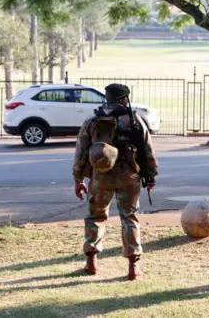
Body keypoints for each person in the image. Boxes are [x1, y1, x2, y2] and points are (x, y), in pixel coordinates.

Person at [72, 83, 158, 280]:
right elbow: (147, 150)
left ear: (107, 97)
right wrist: (151, 175)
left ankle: (91, 262)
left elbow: (81, 154)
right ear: (124, 98)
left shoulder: (92, 121)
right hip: (129, 176)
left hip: (99, 177)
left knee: (95, 217)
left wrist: (78, 180)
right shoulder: (134, 120)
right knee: (129, 218)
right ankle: (133, 268)